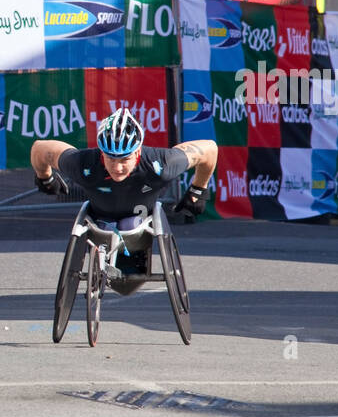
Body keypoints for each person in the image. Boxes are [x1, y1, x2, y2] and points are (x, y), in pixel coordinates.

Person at [29, 109, 218, 286]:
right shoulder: (83, 164)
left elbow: (210, 149)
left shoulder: (161, 164)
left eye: (125, 159)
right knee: (103, 226)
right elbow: (39, 148)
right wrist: (45, 178)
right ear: (101, 152)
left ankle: (127, 268)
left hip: (139, 226)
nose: (117, 168)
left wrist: (198, 190)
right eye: (111, 158)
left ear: (137, 151)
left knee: (129, 225)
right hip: (100, 223)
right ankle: (106, 264)